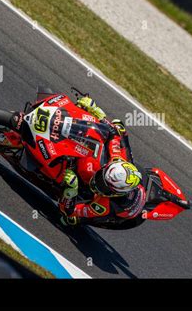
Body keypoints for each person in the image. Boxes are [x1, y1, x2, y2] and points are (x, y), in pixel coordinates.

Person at [58, 96, 145, 226]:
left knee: (69, 220)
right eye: (102, 178)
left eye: (104, 186)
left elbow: (70, 211)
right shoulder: (116, 158)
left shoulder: (102, 206)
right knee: (119, 127)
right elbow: (113, 133)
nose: (98, 183)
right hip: (126, 173)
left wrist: (71, 191)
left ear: (114, 194)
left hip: (115, 211)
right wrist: (96, 110)